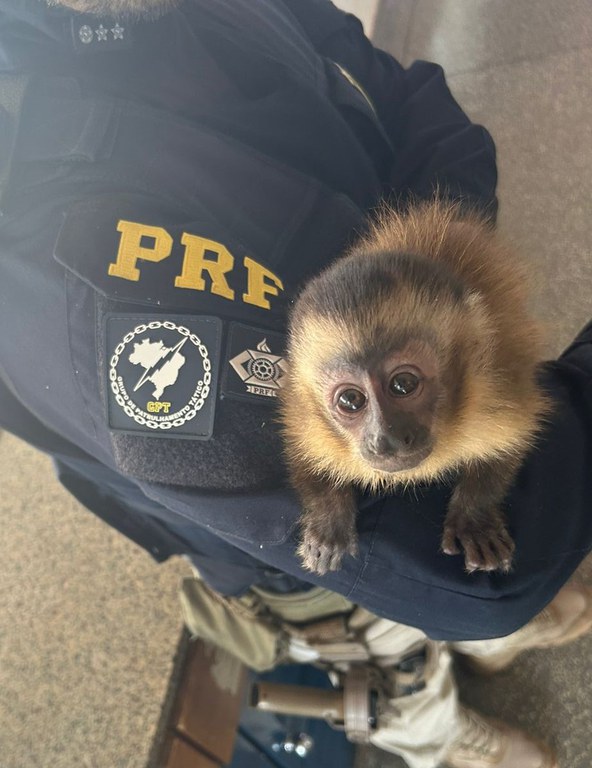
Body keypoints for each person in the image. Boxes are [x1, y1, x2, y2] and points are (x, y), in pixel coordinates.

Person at [0, 1, 591, 766]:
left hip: (428, 345)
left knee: (471, 540)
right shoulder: (74, 262)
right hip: (271, 549)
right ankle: (438, 738)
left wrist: (439, 276)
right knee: (372, 635)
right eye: (354, 399)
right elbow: (471, 575)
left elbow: (413, 101)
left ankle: (494, 643)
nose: (380, 418)